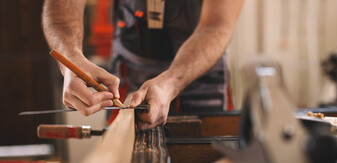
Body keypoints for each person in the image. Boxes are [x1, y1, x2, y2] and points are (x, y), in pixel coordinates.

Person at [42, 0, 245, 130]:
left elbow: (216, 25)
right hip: (127, 80)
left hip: (202, 81)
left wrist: (170, 82)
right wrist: (70, 60)